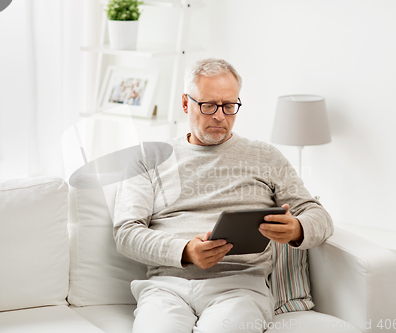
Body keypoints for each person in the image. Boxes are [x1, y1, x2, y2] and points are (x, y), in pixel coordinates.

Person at [113, 58, 333, 333]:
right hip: (167, 288)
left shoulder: (265, 156)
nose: (220, 116)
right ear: (185, 104)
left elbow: (319, 216)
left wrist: (297, 229)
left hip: (241, 288)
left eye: (229, 106)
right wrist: (186, 251)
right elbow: (126, 233)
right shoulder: (148, 158)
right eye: (208, 105)